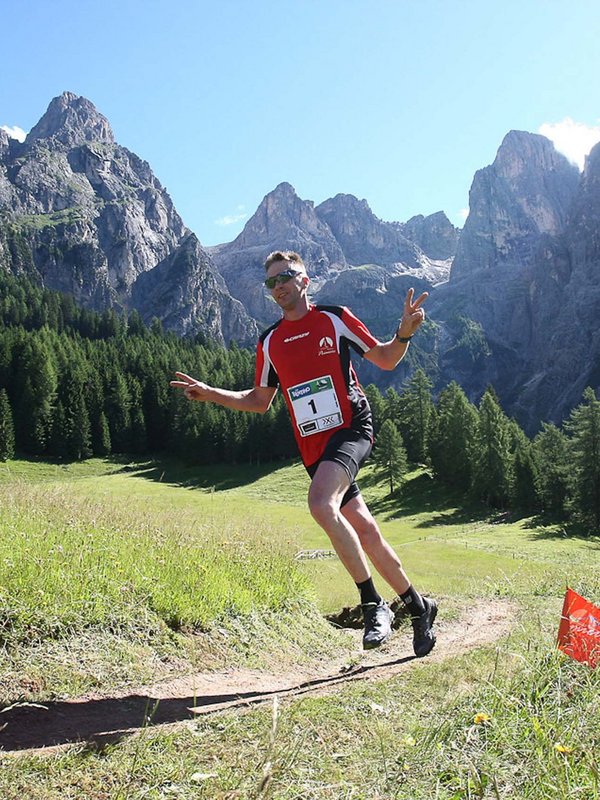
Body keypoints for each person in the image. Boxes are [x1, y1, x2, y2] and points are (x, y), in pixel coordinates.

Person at [171, 250, 437, 655]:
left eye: (285, 277)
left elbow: (384, 359)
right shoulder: (270, 342)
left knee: (319, 503)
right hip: (313, 448)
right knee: (365, 530)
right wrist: (211, 394)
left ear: (304, 280)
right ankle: (419, 608)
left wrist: (403, 334)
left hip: (351, 428)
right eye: (271, 283)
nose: (278, 287)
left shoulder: (333, 318)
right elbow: (259, 399)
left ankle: (373, 604)